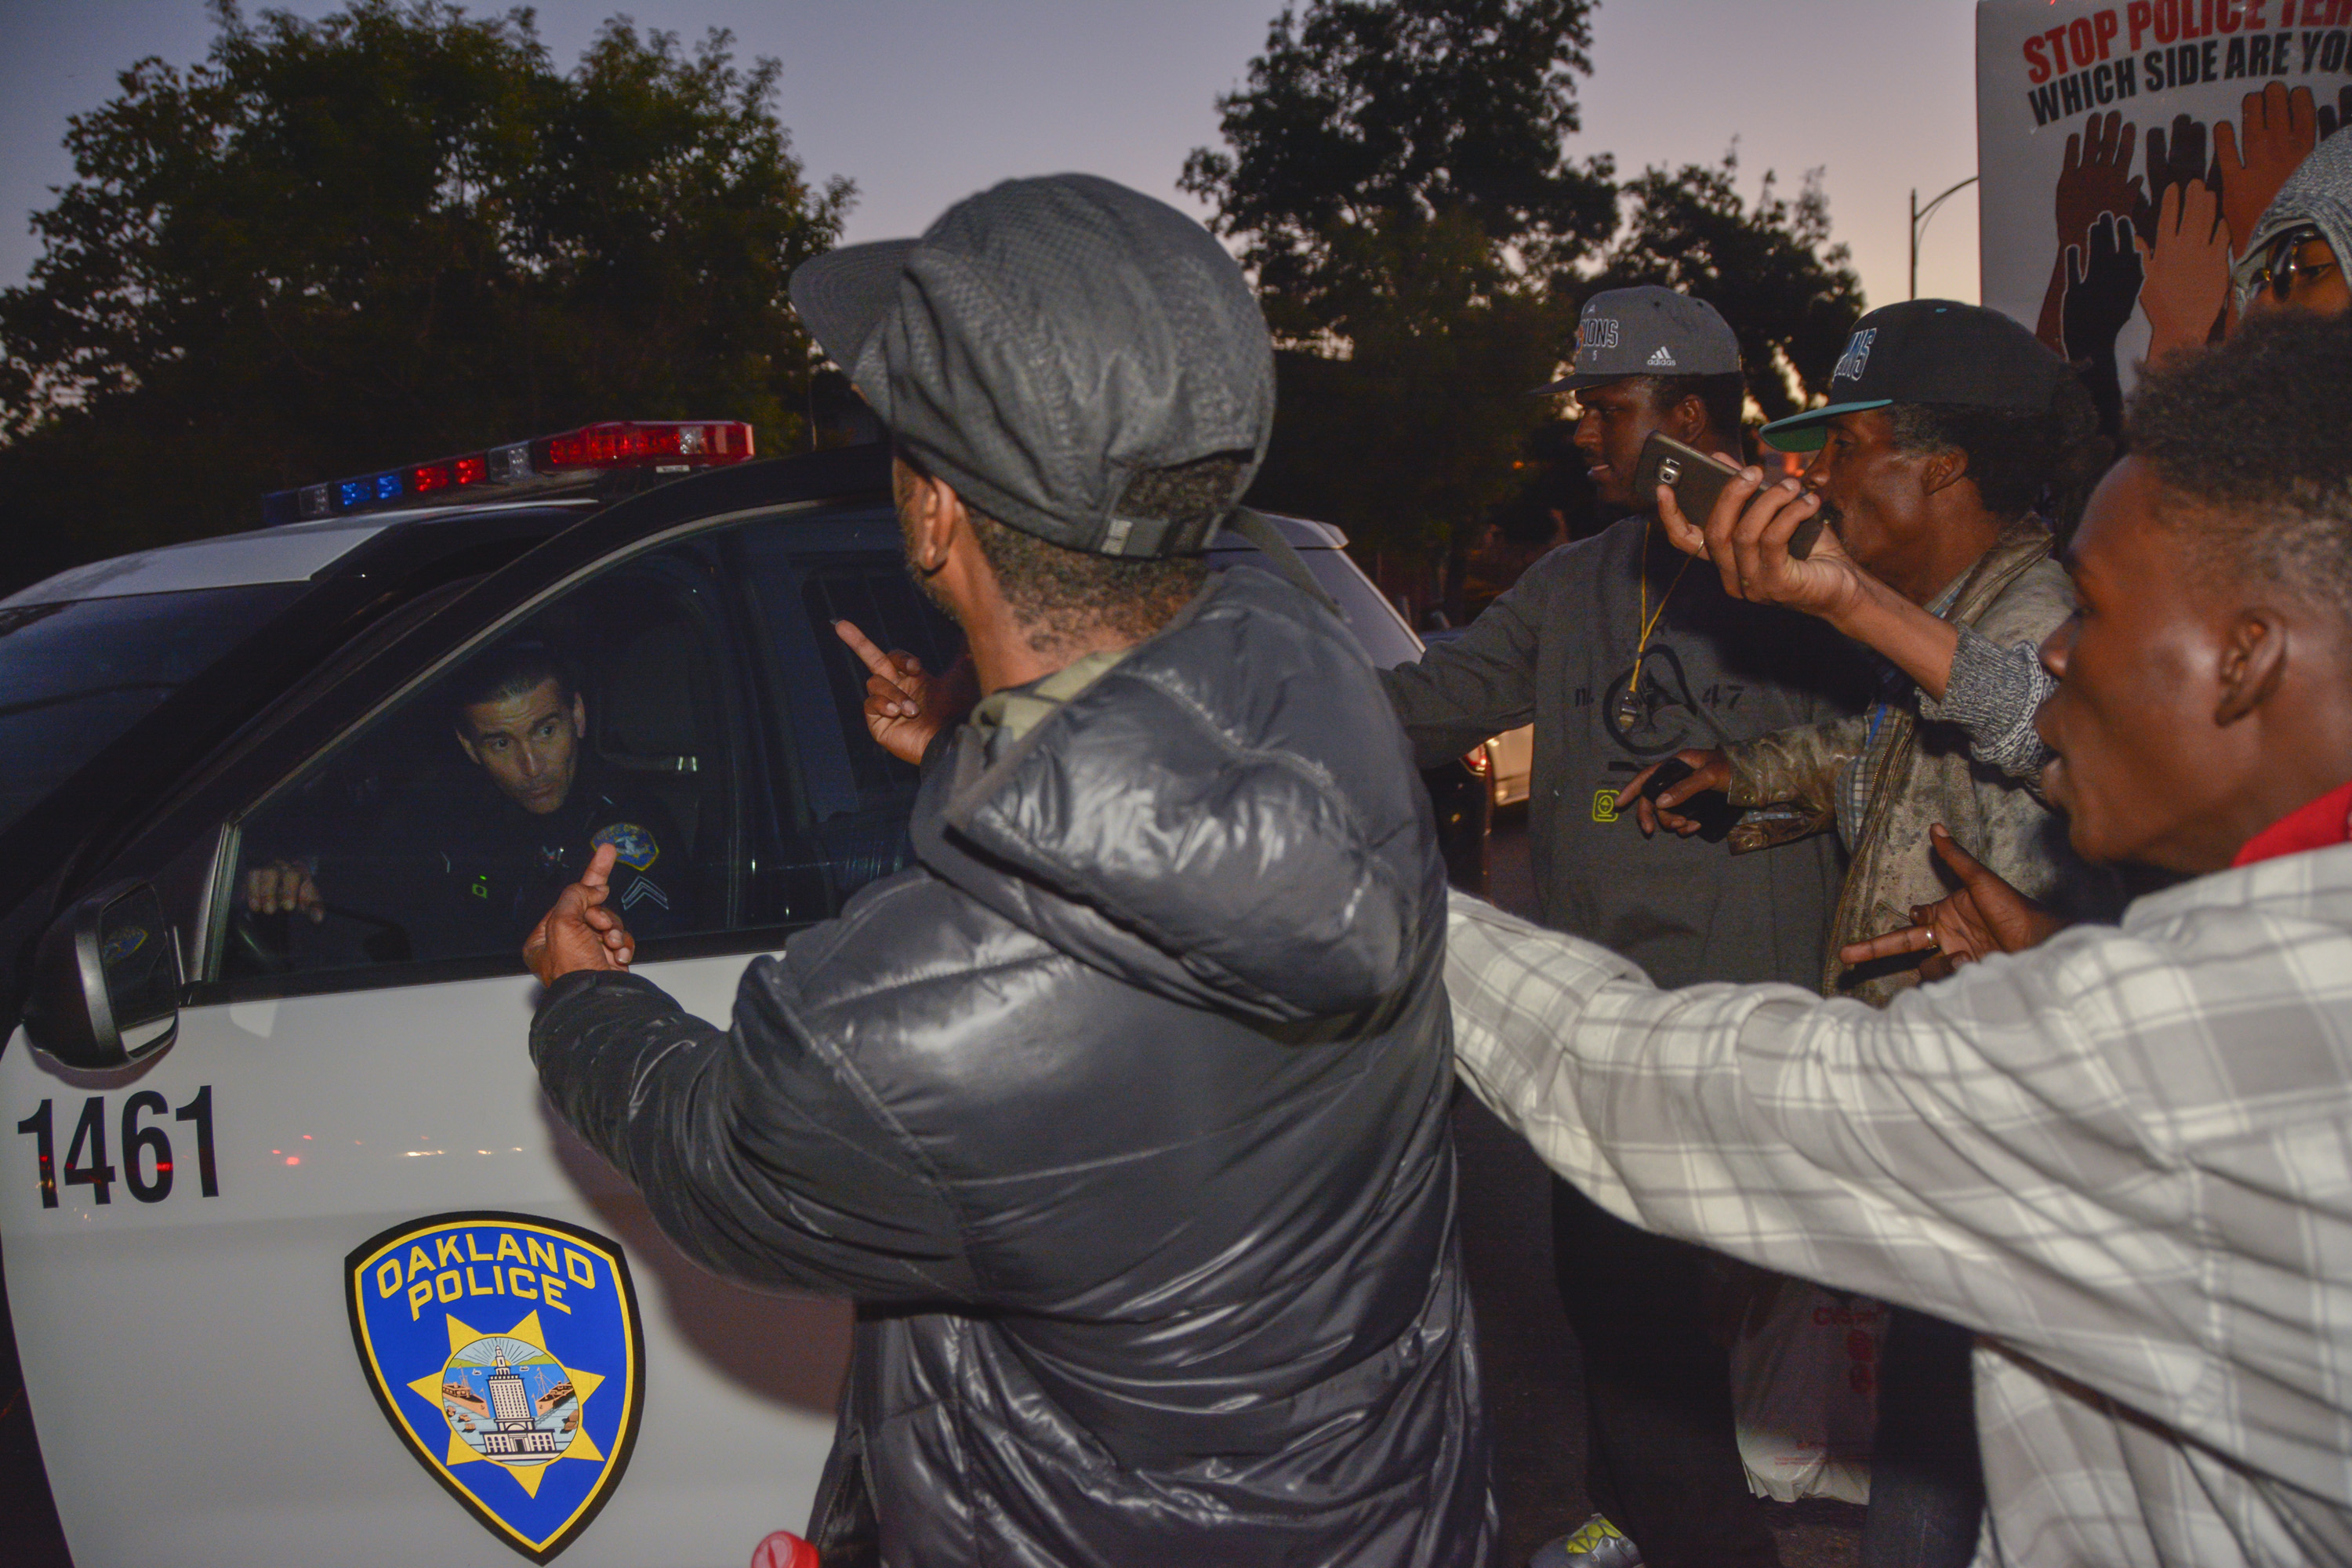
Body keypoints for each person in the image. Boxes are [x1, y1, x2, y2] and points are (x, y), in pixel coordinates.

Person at [521, 174, 1493, 1566]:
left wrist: (581, 1004)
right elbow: (1167, 834)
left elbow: (714, 1151)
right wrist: (970, 754)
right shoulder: (1325, 689)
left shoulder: (892, 1030)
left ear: (931, 521)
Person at [1445, 309, 2352, 1568]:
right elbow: (2014, 715)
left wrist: (1373, 897)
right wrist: (1857, 607)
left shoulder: (2167, 1053)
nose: (2048, 656)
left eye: (2085, 614)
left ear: (2246, 661)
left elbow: (1636, 1082)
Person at [1621, 299, 2114, 1567]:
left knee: (1936, 1499)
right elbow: (1888, 774)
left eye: (1849, 446)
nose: (1822, 476)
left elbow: (2033, 783)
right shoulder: (1960, 609)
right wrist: (1751, 772)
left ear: (1943, 465)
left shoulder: (2028, 621)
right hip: (1949, 1156)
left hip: (1998, 1154)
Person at [1381, 285, 1866, 1568]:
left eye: (1610, 414)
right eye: (1584, 413)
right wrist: (1255, 725)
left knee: (1682, 1361)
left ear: (1693, 417)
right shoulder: (1573, 580)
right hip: (1595, 1041)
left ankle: (1689, 1542)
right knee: (1609, 1317)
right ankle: (1627, 1530)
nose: (1585, 440)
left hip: (1738, 1043)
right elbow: (1434, 700)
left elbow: (1897, 737)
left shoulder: (1815, 558)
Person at [242, 640, 691, 956]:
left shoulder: (628, 823)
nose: (531, 767)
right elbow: (364, 887)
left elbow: (643, 956)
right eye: (500, 744)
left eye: (546, 731)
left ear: (577, 716)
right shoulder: (443, 814)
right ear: (468, 747)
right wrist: (299, 881)